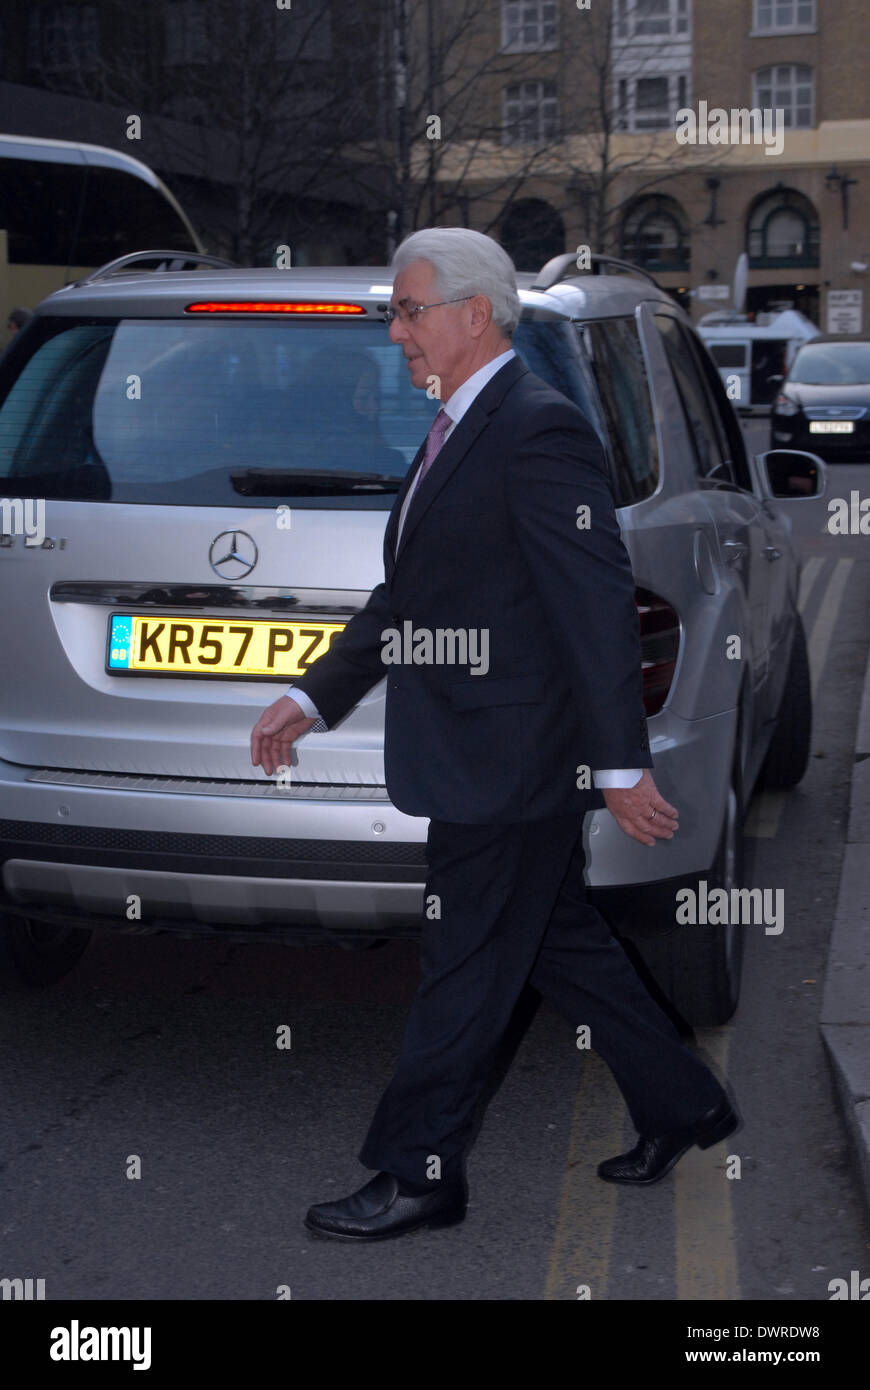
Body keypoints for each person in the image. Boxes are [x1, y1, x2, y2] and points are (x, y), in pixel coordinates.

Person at [250, 227, 738, 1242]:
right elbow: (410, 597)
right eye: (396, 313)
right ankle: (685, 1102)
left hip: (511, 761)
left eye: (409, 311)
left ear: (475, 312)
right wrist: (312, 694)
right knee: (562, 947)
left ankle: (420, 1170)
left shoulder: (536, 429)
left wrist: (616, 764)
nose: (397, 335)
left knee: (464, 969)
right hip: (487, 753)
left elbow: (596, 607)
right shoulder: (460, 427)